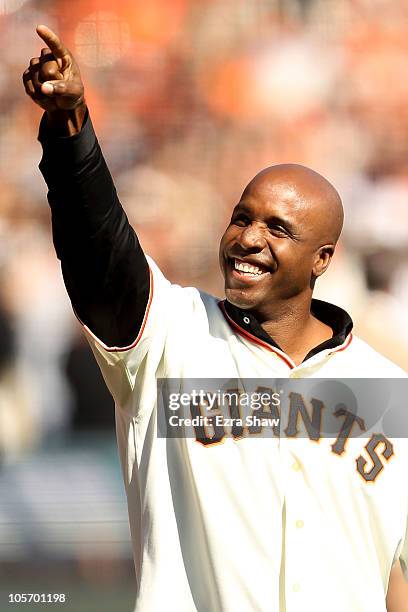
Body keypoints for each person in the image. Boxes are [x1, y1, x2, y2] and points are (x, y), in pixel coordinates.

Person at [23, 25, 408, 612]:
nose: (248, 239)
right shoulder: (171, 339)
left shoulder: (388, 391)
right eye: (240, 218)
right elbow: (97, 250)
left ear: (323, 259)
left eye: (278, 229)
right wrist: (70, 128)